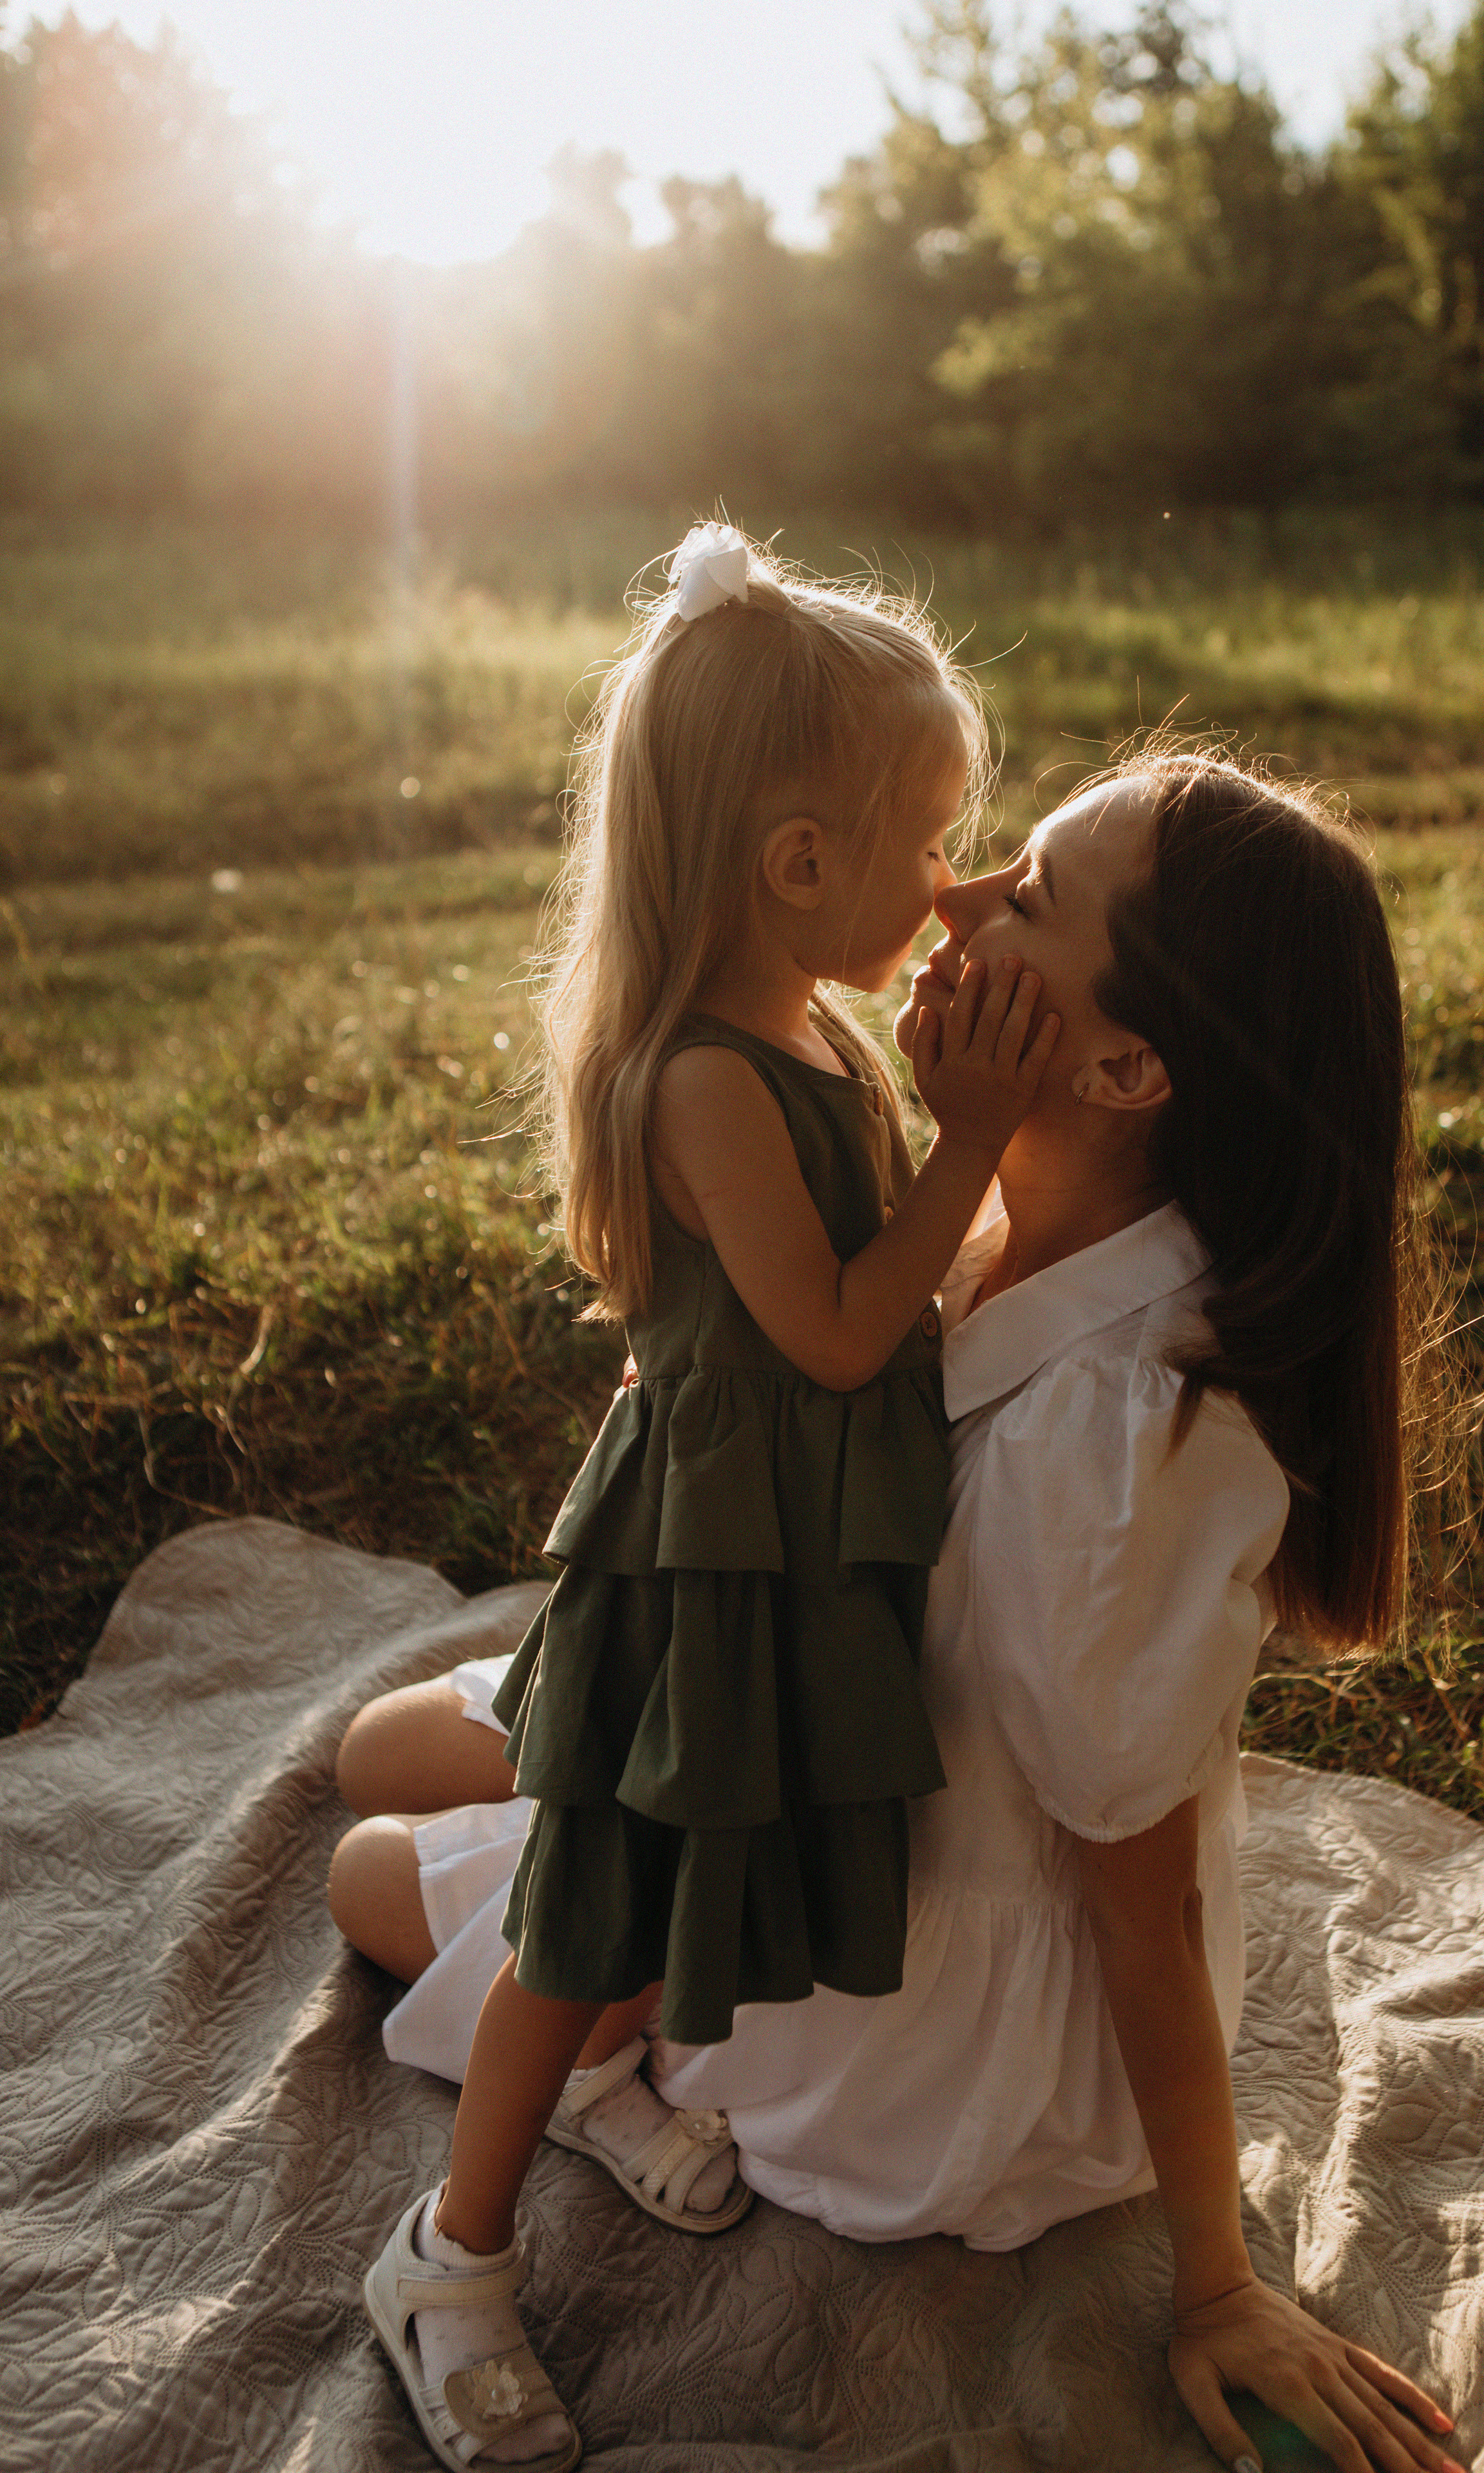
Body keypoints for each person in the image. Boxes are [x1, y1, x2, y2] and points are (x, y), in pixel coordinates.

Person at [335, 746, 1470, 2473]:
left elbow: (1137, 1903)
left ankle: (604, 2049)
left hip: (893, 1979)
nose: (958, 898)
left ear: (1125, 1060)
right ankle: (584, 1950)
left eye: (1030, 899)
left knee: (364, 1857)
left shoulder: (1114, 1460)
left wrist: (1218, 2278)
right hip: (812, 1702)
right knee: (378, 1746)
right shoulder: (1022, 1202)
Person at [356, 523, 1062, 2473]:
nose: (950, 877)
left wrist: (949, 1026)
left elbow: (917, 1249)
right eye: (929, 841)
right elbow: (843, 1329)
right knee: (591, 1907)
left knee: (706, 1856)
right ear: (795, 864)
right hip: (703, 1559)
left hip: (792, 1555)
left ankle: (597, 2090)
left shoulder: (818, 1026)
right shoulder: (702, 1084)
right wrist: (978, 1127)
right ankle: (449, 2254)